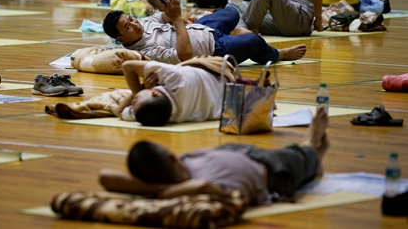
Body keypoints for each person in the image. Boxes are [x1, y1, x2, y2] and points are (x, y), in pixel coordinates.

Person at [99, 105, 329, 205]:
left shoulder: (179, 175)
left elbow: (104, 176)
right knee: (299, 153)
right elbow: (202, 187)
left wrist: (157, 189)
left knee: (291, 153)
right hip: (273, 171)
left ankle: (312, 156)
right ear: (171, 157)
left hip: (239, 153)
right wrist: (163, 192)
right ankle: (312, 147)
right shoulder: (205, 189)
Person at [102, 0, 306, 65]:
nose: (135, 24)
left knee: (232, 12)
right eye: (128, 26)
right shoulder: (144, 53)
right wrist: (177, 20)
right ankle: (277, 54)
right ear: (120, 38)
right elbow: (185, 55)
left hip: (204, 28)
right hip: (213, 47)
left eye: (131, 19)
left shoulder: (143, 23)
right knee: (255, 41)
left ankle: (232, 34)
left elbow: (163, 17)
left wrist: (170, 9)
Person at [114, 59, 229, 126]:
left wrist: (141, 89)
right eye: (136, 100)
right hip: (222, 76)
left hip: (222, 99)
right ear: (155, 93)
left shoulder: (161, 116)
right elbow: (127, 66)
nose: (133, 101)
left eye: (133, 102)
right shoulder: (175, 79)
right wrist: (141, 89)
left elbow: (119, 111)